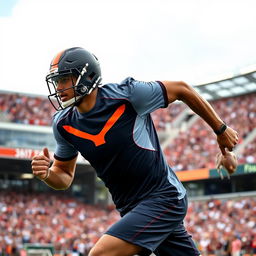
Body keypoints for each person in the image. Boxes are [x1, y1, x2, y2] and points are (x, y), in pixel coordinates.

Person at [31, 47, 238, 256]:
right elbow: (64, 175)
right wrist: (48, 174)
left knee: (100, 254)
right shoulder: (63, 124)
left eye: (64, 79)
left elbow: (182, 89)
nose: (59, 87)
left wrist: (220, 130)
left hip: (163, 197)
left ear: (87, 76)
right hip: (132, 208)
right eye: (56, 81)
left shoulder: (128, 95)